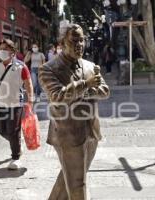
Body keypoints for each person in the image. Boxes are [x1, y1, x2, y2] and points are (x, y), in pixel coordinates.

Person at [39, 24, 110, 199]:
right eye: (74, 40)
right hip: (67, 134)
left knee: (69, 177)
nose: (80, 44)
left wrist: (90, 89)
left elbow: (105, 91)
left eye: (82, 40)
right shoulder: (48, 69)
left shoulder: (90, 66)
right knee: (78, 182)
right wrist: (86, 84)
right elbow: (57, 96)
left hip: (91, 131)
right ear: (62, 43)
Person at [0, 39, 34, 170]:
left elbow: (28, 83)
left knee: (13, 130)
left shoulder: (21, 66)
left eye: (5, 49)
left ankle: (16, 157)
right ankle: (17, 144)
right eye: (1, 48)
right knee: (2, 131)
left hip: (16, 103)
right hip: (0, 103)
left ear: (12, 51)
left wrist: (31, 98)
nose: (2, 51)